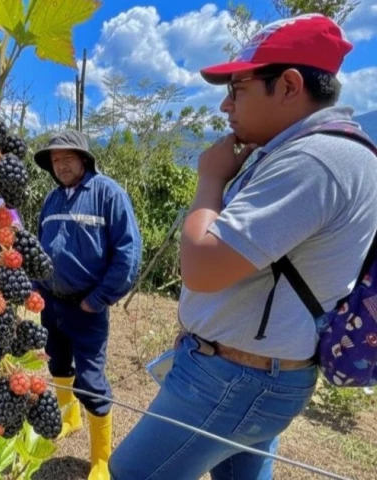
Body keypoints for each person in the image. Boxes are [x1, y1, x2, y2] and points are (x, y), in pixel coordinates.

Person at [110, 14, 377, 479]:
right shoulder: (323, 152)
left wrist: (210, 178)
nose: (225, 105)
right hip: (253, 373)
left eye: (238, 89)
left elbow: (202, 266)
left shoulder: (315, 160)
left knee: (129, 473)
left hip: (233, 379)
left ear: (289, 85)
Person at [31, 129, 142, 480]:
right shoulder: (52, 200)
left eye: (67, 158)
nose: (61, 165)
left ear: (84, 159)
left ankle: (100, 460)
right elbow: (40, 249)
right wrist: (35, 288)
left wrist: (98, 300)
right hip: (51, 303)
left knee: (91, 381)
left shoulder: (108, 194)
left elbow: (128, 255)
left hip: (87, 308)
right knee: (58, 363)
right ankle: (70, 419)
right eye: (55, 160)